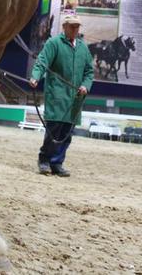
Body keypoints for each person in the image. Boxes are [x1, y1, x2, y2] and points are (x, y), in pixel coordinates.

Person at [29, 14, 94, 177]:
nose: (75, 29)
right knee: (53, 132)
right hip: (57, 96)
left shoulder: (83, 48)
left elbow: (89, 71)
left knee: (67, 135)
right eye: (72, 26)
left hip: (75, 99)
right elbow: (42, 61)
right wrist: (36, 76)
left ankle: (57, 163)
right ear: (64, 27)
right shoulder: (54, 43)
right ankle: (44, 160)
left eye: (77, 26)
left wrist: (85, 86)